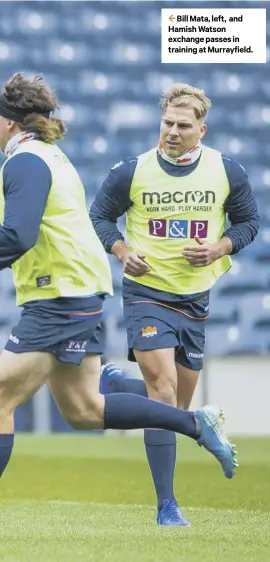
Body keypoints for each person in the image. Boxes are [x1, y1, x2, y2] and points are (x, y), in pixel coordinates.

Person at [0, 73, 237, 486]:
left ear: (9, 122)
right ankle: (195, 422)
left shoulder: (25, 160)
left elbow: (18, 234)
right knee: (83, 410)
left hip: (60, 293)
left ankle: (193, 421)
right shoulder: (47, 154)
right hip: (75, 289)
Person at [90, 83, 258, 526]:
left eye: (184, 126)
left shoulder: (227, 170)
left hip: (195, 295)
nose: (173, 132)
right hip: (146, 292)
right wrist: (124, 253)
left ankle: (115, 384)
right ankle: (167, 506)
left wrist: (219, 248)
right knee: (163, 391)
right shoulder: (132, 171)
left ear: (201, 129)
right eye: (167, 123)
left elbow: (249, 223)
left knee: (175, 409)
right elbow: (99, 217)